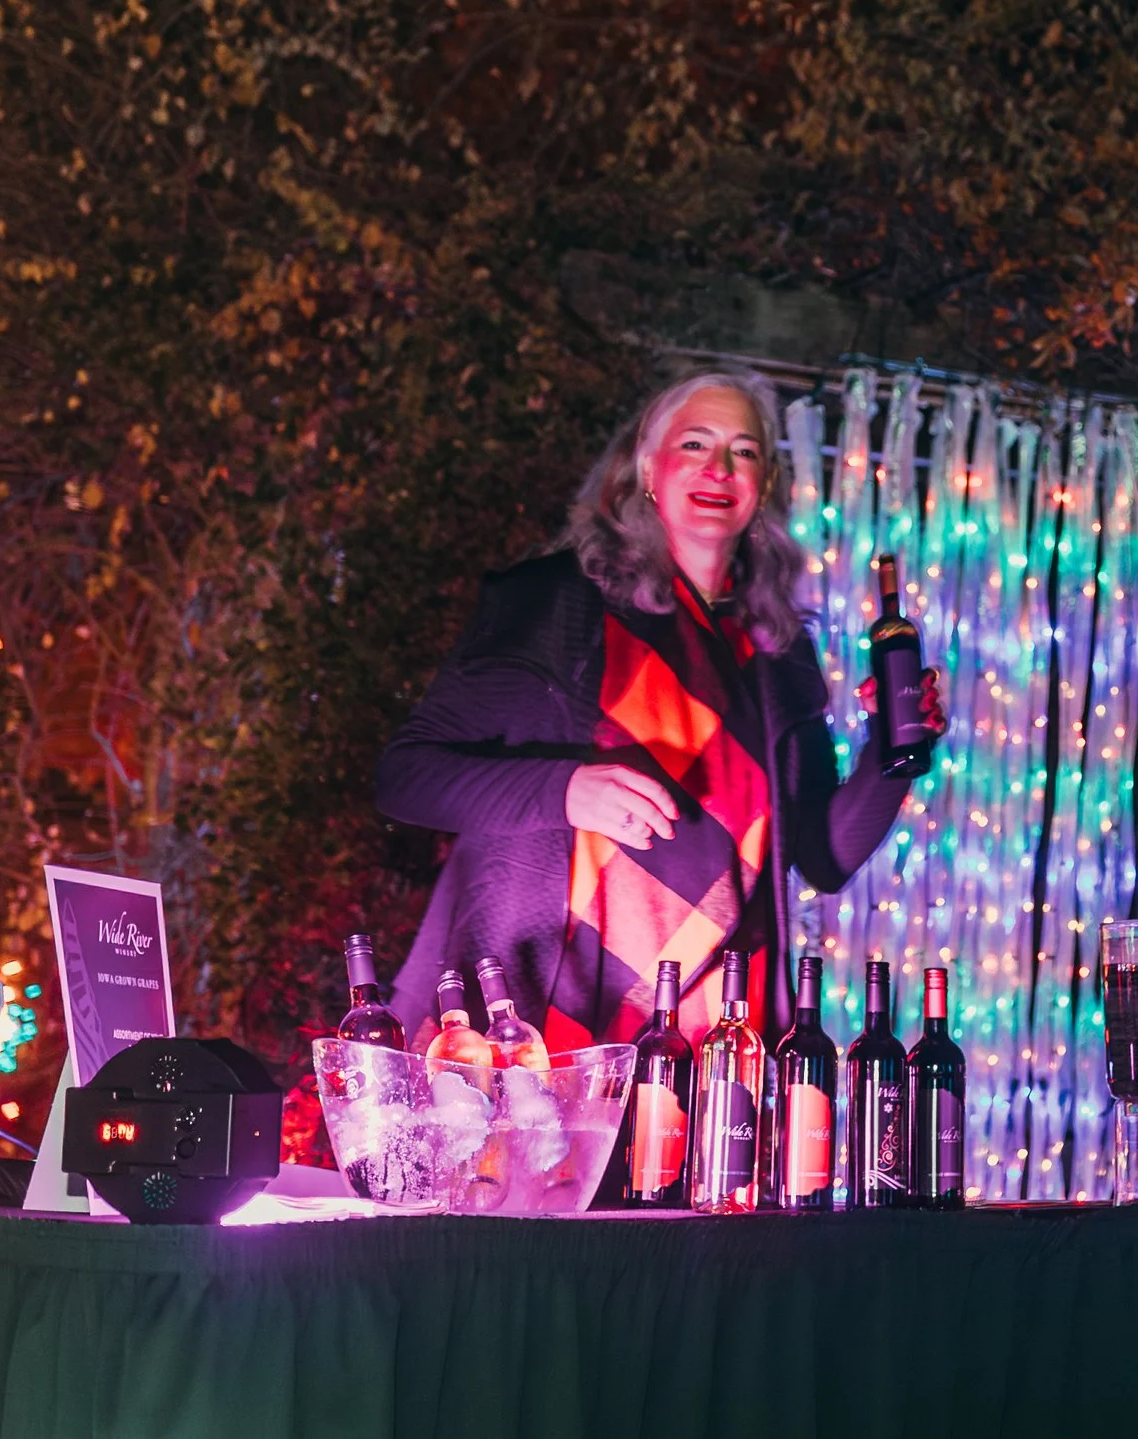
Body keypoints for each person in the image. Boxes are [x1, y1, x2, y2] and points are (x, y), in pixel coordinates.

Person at [377, 370, 944, 1044]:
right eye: (696, 443)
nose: (720, 467)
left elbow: (824, 854)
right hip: (539, 1016)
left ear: (761, 486)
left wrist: (893, 750)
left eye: (745, 450)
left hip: (719, 1028)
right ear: (648, 467)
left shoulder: (778, 652)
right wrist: (563, 791)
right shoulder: (558, 601)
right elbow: (405, 776)